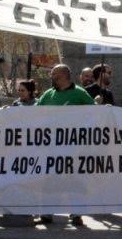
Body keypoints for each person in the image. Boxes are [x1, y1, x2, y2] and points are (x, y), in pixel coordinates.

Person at [35, 64, 95, 227]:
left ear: (64, 76)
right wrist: (11, 111)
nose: (51, 77)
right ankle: (47, 212)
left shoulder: (79, 94)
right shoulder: (48, 94)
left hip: (74, 147)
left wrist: (106, 110)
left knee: (75, 181)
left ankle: (76, 214)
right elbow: (32, 113)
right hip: (52, 147)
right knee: (50, 180)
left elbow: (96, 113)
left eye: (54, 74)